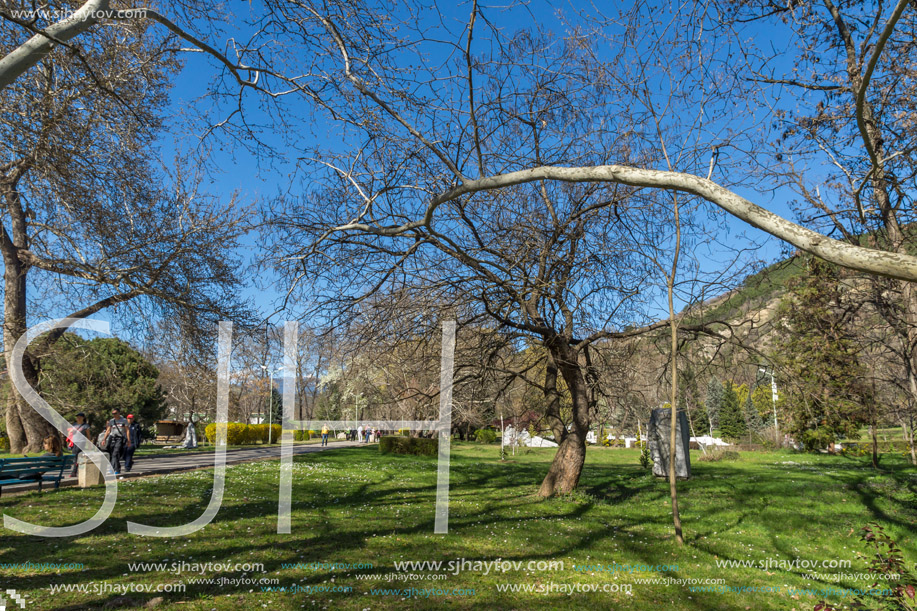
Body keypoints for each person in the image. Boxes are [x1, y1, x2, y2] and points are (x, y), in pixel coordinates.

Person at [102, 408, 131, 475]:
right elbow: (108, 430)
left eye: (115, 413)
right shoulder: (112, 421)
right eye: (113, 414)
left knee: (116, 453)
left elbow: (127, 430)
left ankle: (116, 469)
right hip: (112, 438)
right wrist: (104, 439)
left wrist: (129, 440)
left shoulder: (124, 420)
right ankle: (114, 468)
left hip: (120, 438)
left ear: (119, 413)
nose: (114, 415)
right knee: (112, 454)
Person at [66, 412, 90, 477]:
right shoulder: (74, 425)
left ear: (83, 418)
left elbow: (88, 436)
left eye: (80, 417)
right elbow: (69, 434)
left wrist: (89, 444)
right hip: (74, 442)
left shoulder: (85, 426)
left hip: (81, 442)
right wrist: (70, 432)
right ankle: (77, 471)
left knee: (76, 456)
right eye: (77, 417)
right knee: (75, 457)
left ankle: (74, 472)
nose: (78, 418)